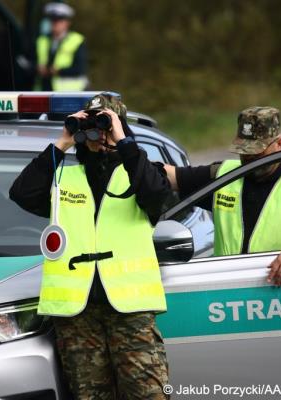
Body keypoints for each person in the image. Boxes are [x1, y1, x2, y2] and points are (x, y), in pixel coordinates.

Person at [10, 93, 171, 399]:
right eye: (94, 125)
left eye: (105, 124)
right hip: (77, 314)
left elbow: (156, 196)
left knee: (148, 394)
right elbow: (22, 192)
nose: (98, 135)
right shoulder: (65, 177)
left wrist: (121, 139)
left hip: (130, 311)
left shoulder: (139, 173)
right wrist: (63, 142)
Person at [164, 106, 281, 286]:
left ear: (279, 144)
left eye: (257, 151)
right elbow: (170, 176)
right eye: (244, 151)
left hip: (277, 290)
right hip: (227, 289)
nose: (249, 158)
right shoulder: (223, 174)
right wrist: (133, 157)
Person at [35, 2, 88, 91]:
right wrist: (38, 68)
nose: (55, 23)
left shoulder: (77, 40)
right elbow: (31, 62)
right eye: (52, 20)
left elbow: (80, 68)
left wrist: (58, 71)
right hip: (44, 89)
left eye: (59, 20)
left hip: (69, 92)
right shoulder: (42, 40)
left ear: (67, 23)